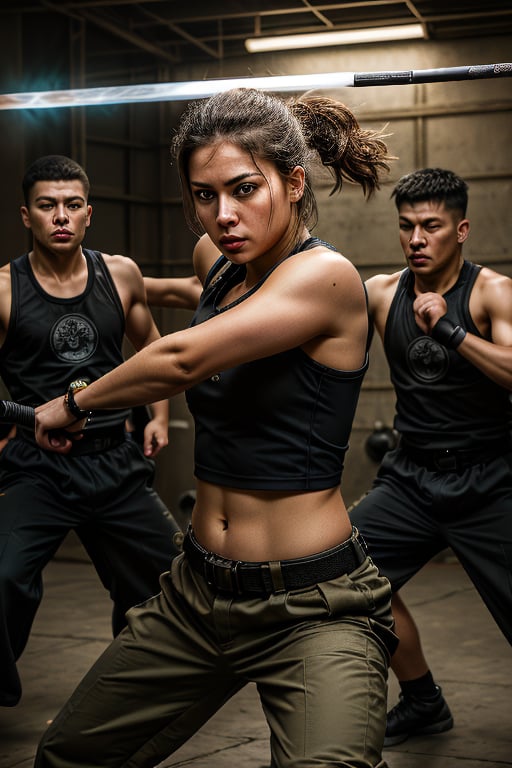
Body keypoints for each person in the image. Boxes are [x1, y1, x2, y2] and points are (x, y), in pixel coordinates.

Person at [33, 88, 397, 768]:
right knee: (65, 755)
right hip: (197, 596)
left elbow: (183, 356)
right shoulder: (217, 263)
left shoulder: (326, 278)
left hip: (314, 605)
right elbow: (177, 292)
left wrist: (74, 400)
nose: (223, 215)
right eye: (204, 195)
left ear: (293, 183)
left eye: (244, 189)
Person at [0, 154, 184, 708]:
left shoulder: (120, 273)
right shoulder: (4, 290)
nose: (61, 216)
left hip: (115, 461)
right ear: (26, 216)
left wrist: (157, 414)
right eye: (47, 205)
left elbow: (152, 350)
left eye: (72, 205)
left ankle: (135, 689)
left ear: (88, 214)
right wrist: (28, 419)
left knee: (167, 581)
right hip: (38, 467)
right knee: (3, 578)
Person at [350, 167, 512, 746]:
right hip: (412, 479)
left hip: (491, 478)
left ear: (461, 229)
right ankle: (423, 701)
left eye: (431, 227)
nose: (416, 239)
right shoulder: (380, 293)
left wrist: (450, 331)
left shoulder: (492, 291)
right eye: (406, 227)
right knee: (347, 573)